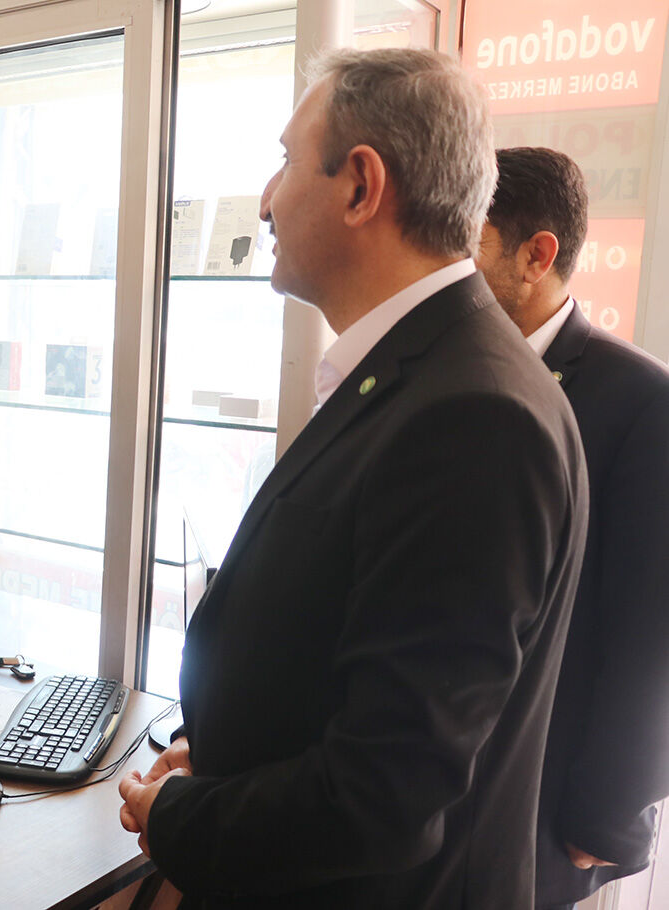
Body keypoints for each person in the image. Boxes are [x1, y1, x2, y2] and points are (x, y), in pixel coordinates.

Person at [118, 49, 588, 908]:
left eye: (287, 161)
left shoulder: (472, 414)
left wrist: (185, 816)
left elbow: (385, 793)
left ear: (362, 186)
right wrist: (226, 761)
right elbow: (344, 660)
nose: (266, 199)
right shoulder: (429, 372)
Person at [478, 146, 669, 910]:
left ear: (537, 255)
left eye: (467, 243)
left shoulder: (643, 399)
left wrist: (610, 815)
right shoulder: (447, 372)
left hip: (547, 801)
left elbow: (649, 631)